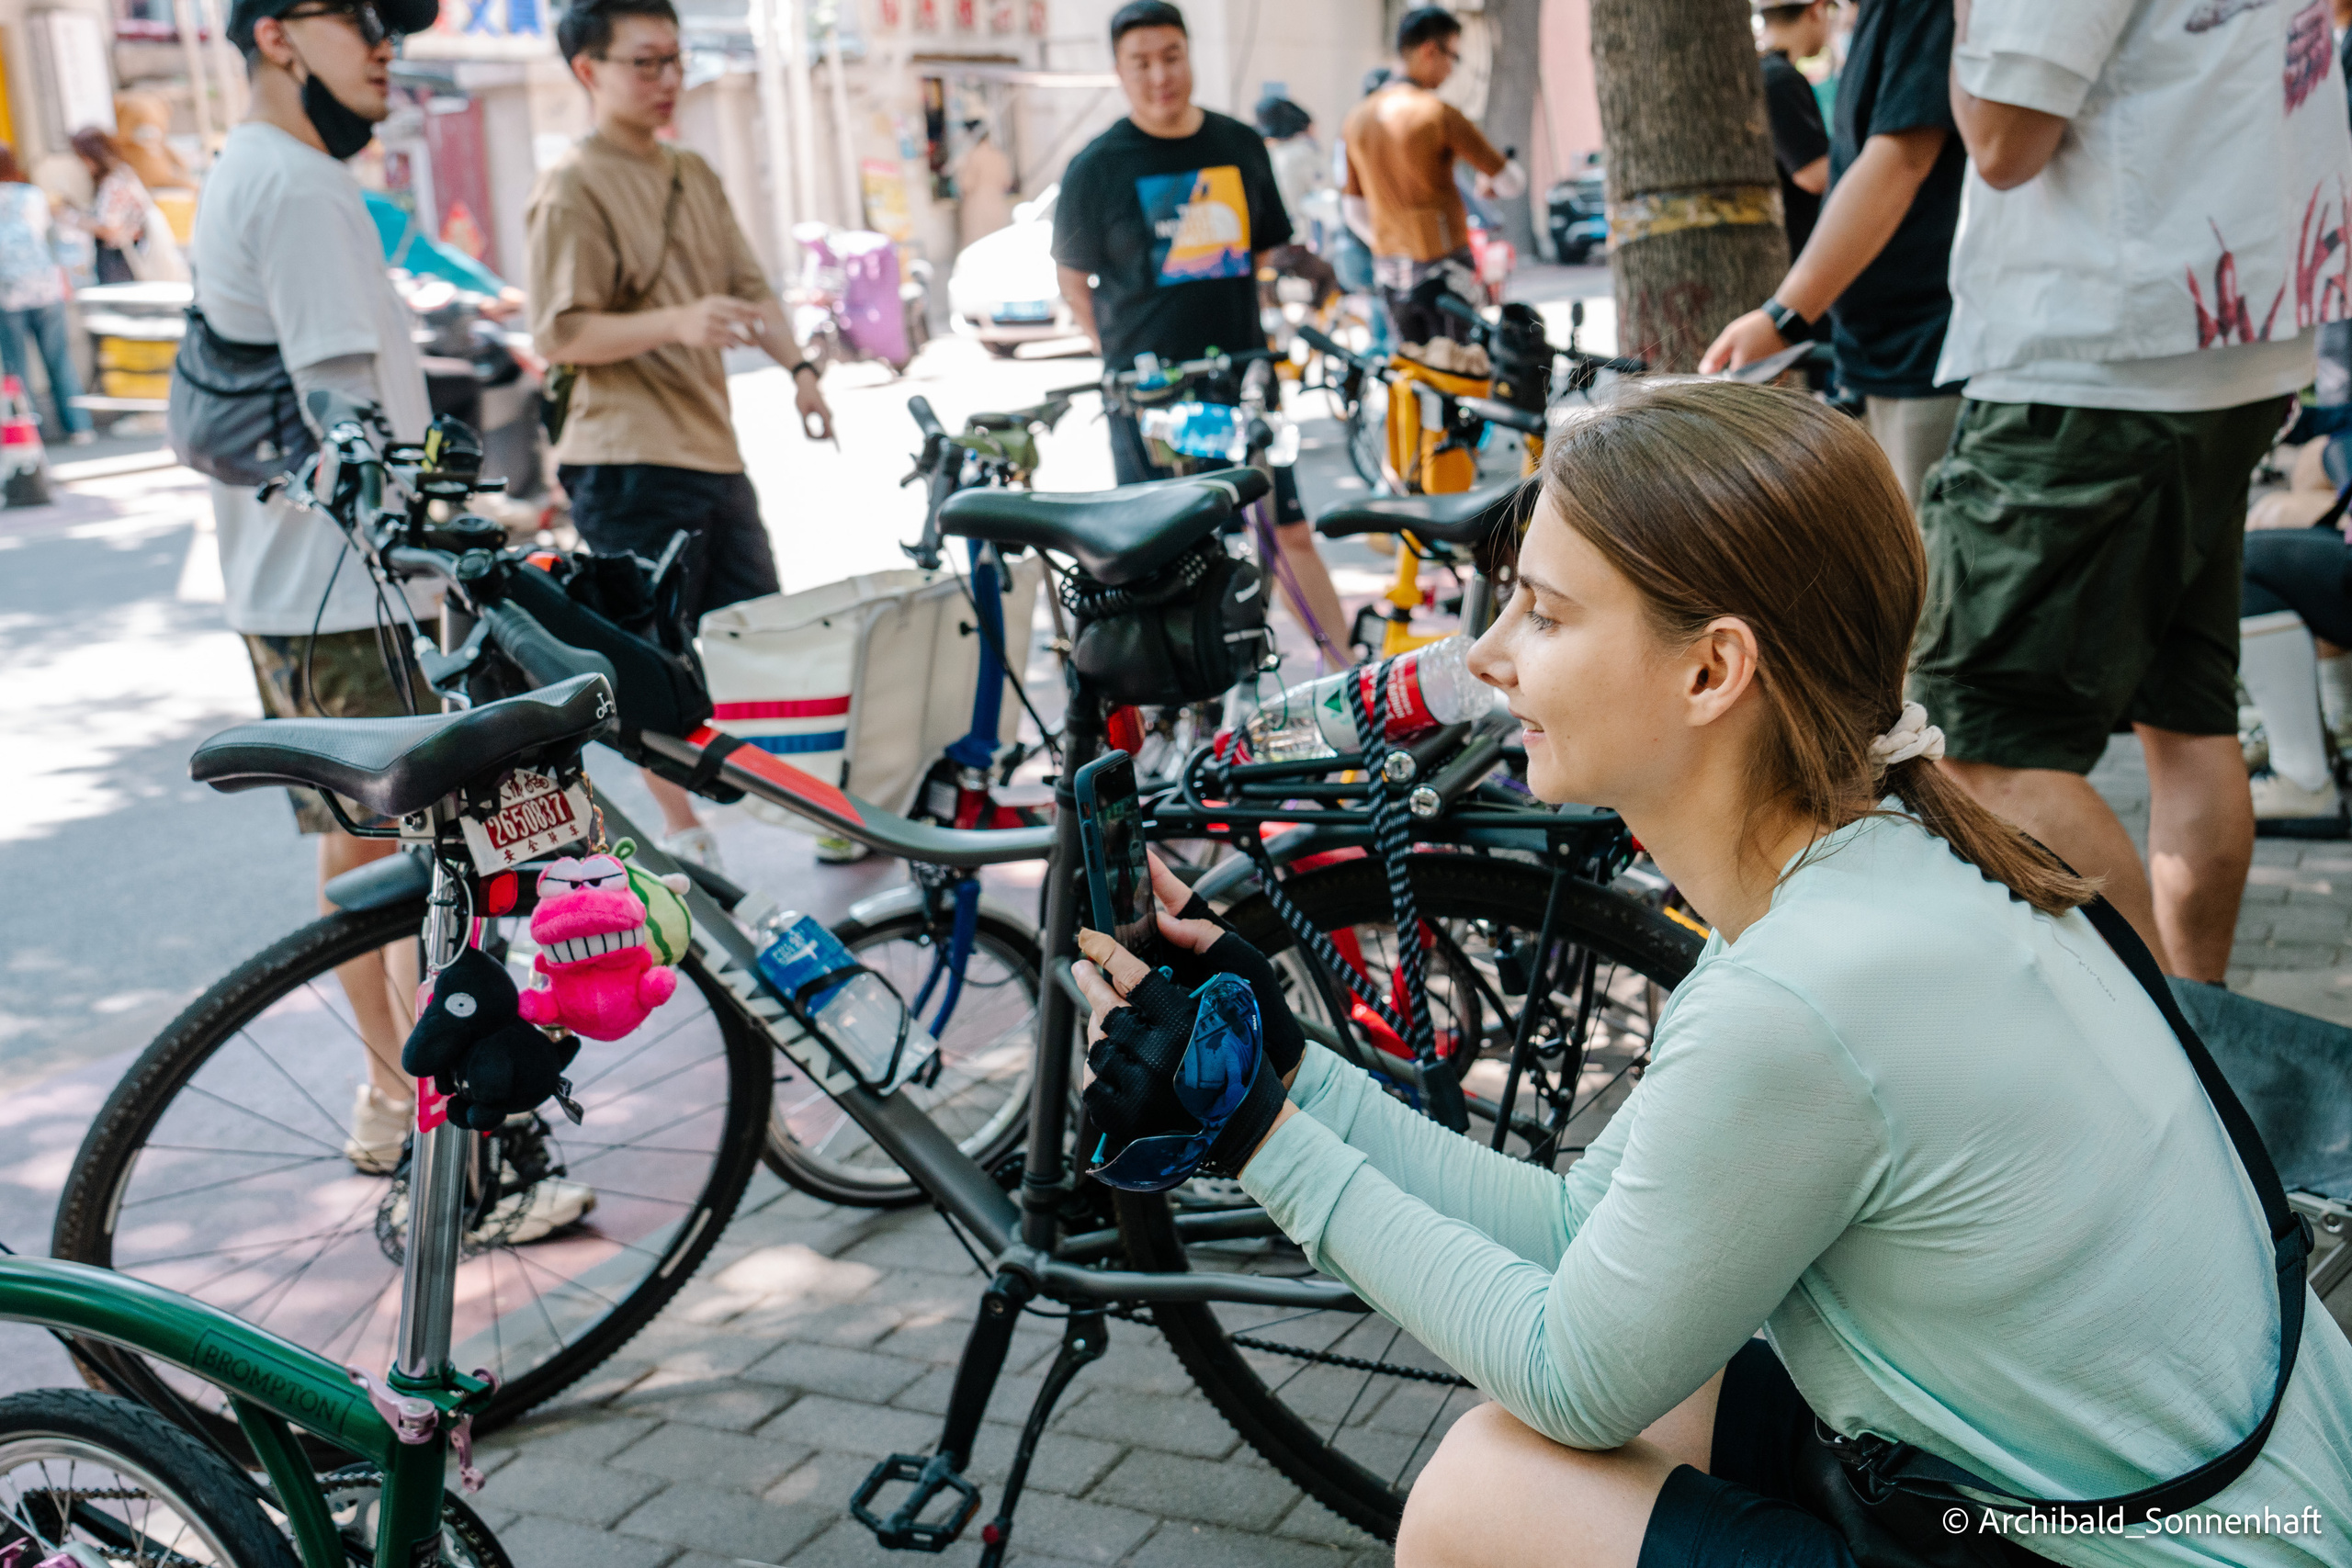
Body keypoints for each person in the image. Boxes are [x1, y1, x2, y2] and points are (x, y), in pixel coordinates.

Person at [1075, 378, 2352, 1567]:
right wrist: (1293, 1074)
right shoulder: (1867, 869)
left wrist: (1254, 1137)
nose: (1491, 657)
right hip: (2221, 1504)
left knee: (1487, 1494)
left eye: (1546, 614)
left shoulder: (1797, 994)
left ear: (1711, 669)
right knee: (1610, 1398)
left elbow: (1571, 1375)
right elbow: (1577, 1238)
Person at [200, 0, 591, 1237]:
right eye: (360, 16)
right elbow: (347, 423)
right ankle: (440, 1142)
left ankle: (395, 1104)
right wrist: (462, 532)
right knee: (410, 872)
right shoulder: (300, 186)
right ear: (277, 34)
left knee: (362, 859)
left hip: (304, 586)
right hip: (347, 586)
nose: (387, 42)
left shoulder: (257, 169)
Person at [1913, 0, 2350, 981]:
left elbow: (2002, 141)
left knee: (1978, 740)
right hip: (2232, 336)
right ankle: (2201, 1019)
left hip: (2100, 357)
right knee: (2186, 718)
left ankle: (2163, 1054)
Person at [528, 0, 835, 867]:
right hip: (623, 458)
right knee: (653, 662)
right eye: (645, 63)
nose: (667, 80)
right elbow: (559, 332)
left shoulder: (692, 171)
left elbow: (751, 285)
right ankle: (687, 837)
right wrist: (677, 320)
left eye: (675, 60)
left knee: (763, 642)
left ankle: (818, 806)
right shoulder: (573, 185)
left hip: (710, 450)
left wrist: (799, 369)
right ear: (588, 70)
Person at [1052, 0, 1350, 666]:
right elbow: (1073, 283)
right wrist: (1120, 358)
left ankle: (1348, 678)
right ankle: (1179, 701)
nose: (1160, 75)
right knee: (1160, 551)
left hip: (1242, 383)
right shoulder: (1096, 167)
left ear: (1189, 56)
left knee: (1285, 531)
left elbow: (1265, 250)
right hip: (1148, 401)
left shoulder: (1238, 144)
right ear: (1119, 71)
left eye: (1171, 57)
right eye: (1141, 63)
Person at [1697, 0, 1964, 507]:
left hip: (1926, 359)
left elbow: (1899, 162)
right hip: (1881, 356)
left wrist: (1784, 318)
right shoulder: (1791, 70)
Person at [1340, 6, 1525, 347]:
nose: (1452, 69)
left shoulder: (1356, 120)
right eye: (1454, 56)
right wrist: (1494, 183)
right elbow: (1509, 182)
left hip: (1390, 275)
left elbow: (1352, 210)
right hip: (1446, 272)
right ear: (1429, 51)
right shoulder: (1438, 114)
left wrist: (1388, 243)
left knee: (1415, 369)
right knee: (1461, 367)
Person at [0, 143, 93, 444]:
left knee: (16, 368)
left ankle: (28, 434)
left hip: (8, 294)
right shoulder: (32, 195)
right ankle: (79, 426)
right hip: (45, 287)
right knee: (59, 359)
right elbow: (48, 237)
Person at [1754, 1, 1830, 260]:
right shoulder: (1780, 80)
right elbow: (1814, 175)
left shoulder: (1766, 72)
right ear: (1816, 10)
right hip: (1794, 254)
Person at [72, 127, 187, 286]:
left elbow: (111, 230)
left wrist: (74, 219)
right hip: (128, 256)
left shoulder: (115, 182)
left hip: (124, 260)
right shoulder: (123, 174)